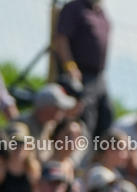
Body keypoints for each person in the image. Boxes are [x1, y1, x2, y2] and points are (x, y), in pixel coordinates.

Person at [56, 0, 112, 137]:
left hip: (98, 77)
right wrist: (70, 67)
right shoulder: (74, 8)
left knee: (106, 118)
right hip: (81, 74)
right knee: (85, 116)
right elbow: (61, 38)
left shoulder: (101, 13)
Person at [16, 84, 78, 159]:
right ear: (47, 108)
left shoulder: (50, 127)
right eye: (58, 108)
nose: (62, 112)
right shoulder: (21, 125)